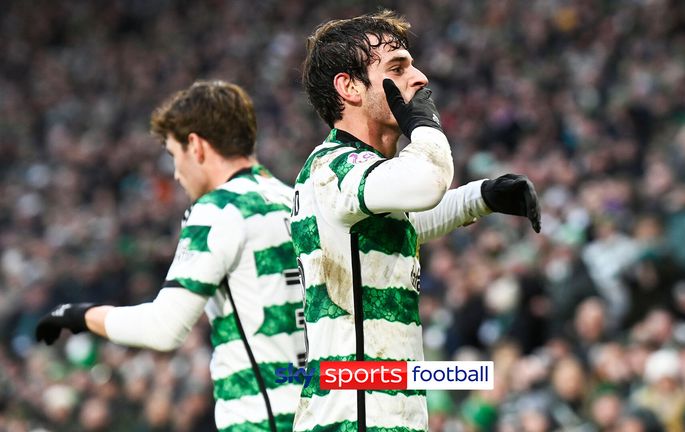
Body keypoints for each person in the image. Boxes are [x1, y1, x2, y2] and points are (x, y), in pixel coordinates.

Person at [291, 10, 541, 432]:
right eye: (397, 67)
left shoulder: (353, 176)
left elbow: (402, 226)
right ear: (349, 87)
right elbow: (427, 180)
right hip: (358, 417)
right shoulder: (336, 167)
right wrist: (423, 124)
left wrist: (480, 197)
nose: (420, 77)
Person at [35, 81, 304, 432]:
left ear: (196, 146)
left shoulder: (218, 209)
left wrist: (78, 315)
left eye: (174, 156)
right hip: (321, 414)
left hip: (260, 420)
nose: (176, 173)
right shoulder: (295, 201)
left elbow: (164, 329)